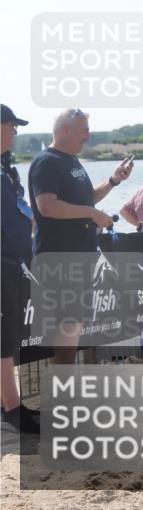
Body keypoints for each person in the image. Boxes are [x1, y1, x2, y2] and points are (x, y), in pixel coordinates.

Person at [28, 109, 134, 364]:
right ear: (65, 130)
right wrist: (91, 213)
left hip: (79, 256)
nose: (89, 135)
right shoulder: (47, 162)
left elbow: (88, 198)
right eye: (84, 129)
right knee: (68, 326)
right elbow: (47, 206)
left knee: (73, 326)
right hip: (59, 258)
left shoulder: (72, 161)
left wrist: (113, 180)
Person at [0, 105, 39, 433]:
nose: (15, 131)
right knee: (4, 337)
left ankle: (8, 404)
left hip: (13, 262)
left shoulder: (6, 168)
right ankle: (12, 409)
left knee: (9, 335)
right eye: (11, 125)